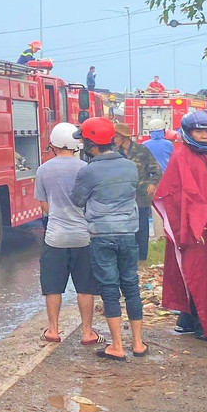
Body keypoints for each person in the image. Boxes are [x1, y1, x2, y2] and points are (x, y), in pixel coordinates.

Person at [154, 109, 207, 343]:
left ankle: (187, 320)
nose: (204, 136)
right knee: (201, 276)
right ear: (188, 132)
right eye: (199, 131)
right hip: (196, 231)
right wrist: (191, 228)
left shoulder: (202, 157)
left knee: (197, 274)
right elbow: (178, 196)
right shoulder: (182, 156)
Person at [71, 117, 145, 361]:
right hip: (128, 234)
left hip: (102, 236)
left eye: (83, 141)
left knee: (110, 289)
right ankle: (138, 343)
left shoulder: (88, 171)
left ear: (91, 144)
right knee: (131, 286)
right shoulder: (130, 166)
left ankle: (117, 346)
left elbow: (77, 200)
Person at [35, 122, 99, 347]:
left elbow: (44, 206)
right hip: (84, 238)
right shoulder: (86, 169)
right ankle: (87, 332)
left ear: (53, 144)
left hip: (55, 238)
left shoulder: (43, 170)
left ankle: (53, 330)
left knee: (53, 287)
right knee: (85, 287)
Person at [114, 122, 162, 264]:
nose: (114, 139)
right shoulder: (114, 153)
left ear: (124, 137)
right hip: (122, 198)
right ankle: (127, 257)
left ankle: (142, 258)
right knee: (124, 229)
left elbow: (156, 170)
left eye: (116, 136)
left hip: (141, 197)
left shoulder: (142, 151)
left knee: (142, 228)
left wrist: (153, 184)